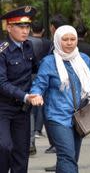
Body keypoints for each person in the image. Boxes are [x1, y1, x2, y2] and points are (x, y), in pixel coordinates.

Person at [29, 25, 90, 173]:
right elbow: (39, 84)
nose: (69, 43)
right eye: (65, 39)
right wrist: (36, 94)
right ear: (57, 41)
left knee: (71, 157)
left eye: (72, 39)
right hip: (57, 116)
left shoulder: (84, 59)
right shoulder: (49, 62)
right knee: (67, 156)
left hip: (81, 117)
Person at [0, 6, 40, 173]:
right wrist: (25, 96)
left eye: (27, 27)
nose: (25, 31)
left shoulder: (29, 47)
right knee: (4, 147)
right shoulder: (2, 50)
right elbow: (1, 82)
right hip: (3, 108)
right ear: (9, 28)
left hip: (22, 110)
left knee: (21, 154)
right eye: (20, 27)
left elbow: (37, 71)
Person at [28, 20, 52, 154]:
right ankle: (40, 131)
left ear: (31, 29)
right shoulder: (48, 43)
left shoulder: (27, 42)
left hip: (29, 76)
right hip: (44, 76)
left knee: (29, 110)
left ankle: (31, 141)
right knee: (43, 106)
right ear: (43, 30)